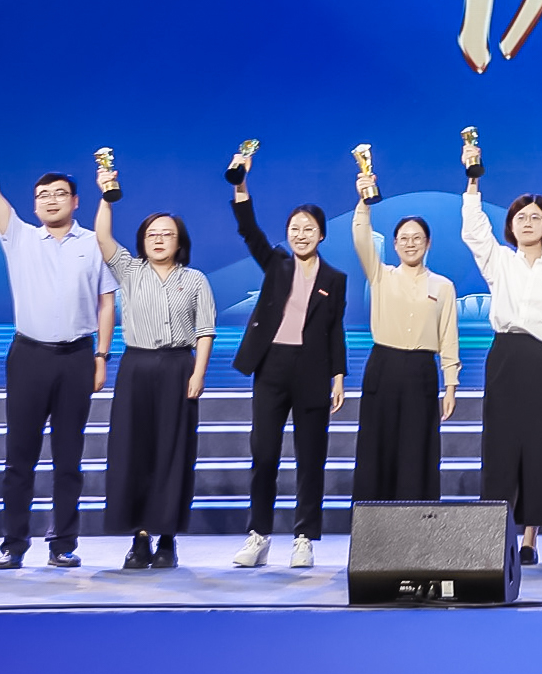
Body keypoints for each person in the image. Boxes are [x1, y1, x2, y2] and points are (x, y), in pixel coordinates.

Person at [0, 126, 116, 570]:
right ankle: (13, 543)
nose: (51, 201)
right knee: (20, 457)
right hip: (29, 356)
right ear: (34, 205)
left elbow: (107, 302)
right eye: (42, 195)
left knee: (69, 458)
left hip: (77, 357)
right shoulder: (21, 237)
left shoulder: (94, 243)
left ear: (76, 201)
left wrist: (102, 356)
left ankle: (63, 542)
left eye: (59, 194)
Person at [459, 134, 542, 567]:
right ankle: (499, 534)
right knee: (500, 448)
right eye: (520, 217)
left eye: (535, 217)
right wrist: (473, 181)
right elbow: (474, 231)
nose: (528, 223)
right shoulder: (500, 261)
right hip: (506, 359)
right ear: (510, 225)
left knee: (540, 449)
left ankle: (530, 537)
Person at [227, 144, 348, 570]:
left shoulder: (335, 278)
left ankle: (304, 538)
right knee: (264, 455)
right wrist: (241, 184)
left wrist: (338, 376)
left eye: (308, 228)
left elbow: (335, 330)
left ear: (321, 234)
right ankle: (258, 535)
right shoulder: (276, 264)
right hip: (272, 367)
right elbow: (250, 231)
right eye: (295, 228)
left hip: (313, 371)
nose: (301, 234)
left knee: (310, 460)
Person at [92, 165, 215, 570]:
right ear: (143, 241)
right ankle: (139, 537)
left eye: (167, 234)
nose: (159, 240)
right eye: (152, 234)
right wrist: (105, 195)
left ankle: (167, 538)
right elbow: (102, 237)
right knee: (134, 450)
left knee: (173, 452)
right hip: (137, 367)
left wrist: (198, 374)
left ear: (180, 242)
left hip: (179, 368)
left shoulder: (195, 279)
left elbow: (205, 331)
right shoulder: (129, 271)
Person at [347, 164, 459, 501]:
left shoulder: (443, 286)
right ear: (394, 245)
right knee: (377, 446)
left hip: (422, 371)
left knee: (417, 449)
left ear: (428, 243)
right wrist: (363, 202)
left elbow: (448, 337)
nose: (411, 244)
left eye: (417, 238)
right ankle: (373, 524)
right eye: (404, 239)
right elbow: (361, 238)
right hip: (384, 366)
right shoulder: (381, 275)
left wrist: (450, 385)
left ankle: (416, 521)